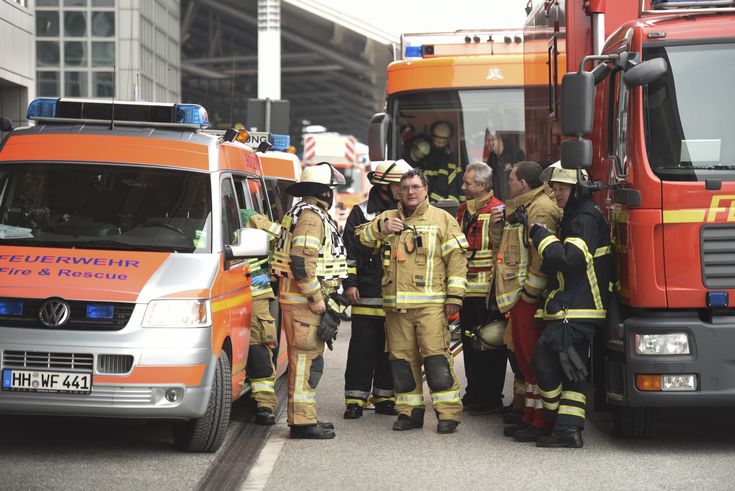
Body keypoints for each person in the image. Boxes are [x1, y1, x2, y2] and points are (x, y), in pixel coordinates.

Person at [359, 169, 469, 434]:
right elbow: (360, 238)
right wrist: (380, 228)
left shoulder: (442, 219)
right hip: (397, 308)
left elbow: (457, 260)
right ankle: (409, 412)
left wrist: (455, 297)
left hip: (431, 306)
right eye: (405, 187)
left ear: (426, 190)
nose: (410, 192)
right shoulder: (387, 218)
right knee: (401, 361)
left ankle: (448, 414)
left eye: (416, 187)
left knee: (436, 360)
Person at [530, 164, 612, 448]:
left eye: (562, 187)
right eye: (555, 187)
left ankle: (564, 427)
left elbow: (570, 260)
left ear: (577, 189)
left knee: (558, 364)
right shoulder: (578, 214)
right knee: (566, 367)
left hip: (577, 309)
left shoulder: (584, 217)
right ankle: (564, 427)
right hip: (572, 307)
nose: (557, 193)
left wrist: (541, 236)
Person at [271, 162, 349, 439]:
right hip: (304, 303)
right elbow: (302, 262)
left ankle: (306, 418)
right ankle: (302, 423)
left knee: (308, 360)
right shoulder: (311, 217)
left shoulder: (302, 213)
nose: (331, 194)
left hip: (301, 302)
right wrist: (316, 297)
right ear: (322, 192)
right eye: (329, 189)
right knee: (305, 361)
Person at [490, 160, 561, 442]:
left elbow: (542, 256)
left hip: (530, 297)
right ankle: (530, 415)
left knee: (534, 362)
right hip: (520, 297)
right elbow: (507, 247)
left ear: (523, 183)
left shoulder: (540, 208)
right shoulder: (522, 207)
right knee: (524, 359)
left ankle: (540, 419)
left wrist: (531, 293)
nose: (508, 183)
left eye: (511, 179)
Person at [342, 159, 413, 419]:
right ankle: (355, 399)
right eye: (398, 185)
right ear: (383, 185)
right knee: (362, 348)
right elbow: (349, 252)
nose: (404, 189)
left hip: (398, 293)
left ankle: (385, 397)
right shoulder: (362, 212)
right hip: (368, 291)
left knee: (391, 348)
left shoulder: (410, 210)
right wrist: (350, 284)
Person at [456, 162, 507, 414]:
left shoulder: (498, 210)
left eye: (468, 183)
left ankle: (491, 397)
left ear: (483, 186)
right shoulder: (463, 210)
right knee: (469, 344)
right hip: (467, 291)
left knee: (490, 345)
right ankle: (474, 391)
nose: (463, 186)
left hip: (488, 293)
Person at [241, 209, 282, 426]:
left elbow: (284, 239)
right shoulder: (195, 217)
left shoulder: (248, 216)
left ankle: (264, 405)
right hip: (212, 289)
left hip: (253, 292)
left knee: (256, 346)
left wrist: (272, 271)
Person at [420, 121, 461, 202]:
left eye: (444, 138)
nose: (440, 140)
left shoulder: (450, 157)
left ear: (449, 139)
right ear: (432, 136)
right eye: (437, 137)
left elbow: (453, 182)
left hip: (441, 201)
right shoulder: (425, 151)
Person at [484, 129, 526, 202]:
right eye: (487, 141)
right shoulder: (491, 159)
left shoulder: (515, 154)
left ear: (499, 139)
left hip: (515, 200)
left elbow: (522, 176)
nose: (488, 143)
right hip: (498, 200)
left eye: (491, 140)